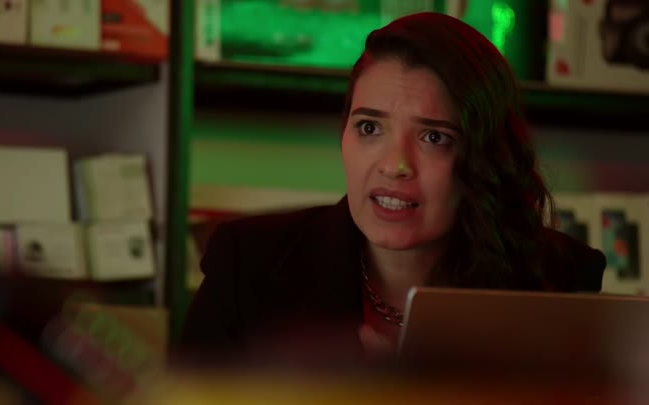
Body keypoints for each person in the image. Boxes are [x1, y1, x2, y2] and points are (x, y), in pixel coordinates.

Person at [178, 12, 606, 364]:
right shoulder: (247, 264)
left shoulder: (559, 279)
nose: (395, 165)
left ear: (485, 156)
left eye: (434, 137)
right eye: (369, 127)